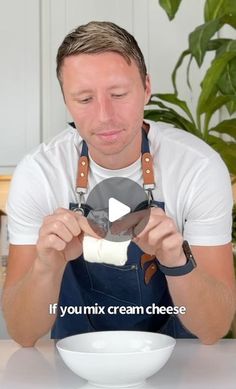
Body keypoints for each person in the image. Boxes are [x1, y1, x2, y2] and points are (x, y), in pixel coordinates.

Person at [2, 21, 236, 347]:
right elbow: (22, 332)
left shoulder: (197, 168)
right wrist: (46, 267)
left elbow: (214, 327)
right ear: (66, 102)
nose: (104, 116)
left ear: (147, 88)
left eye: (119, 94)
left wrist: (176, 261)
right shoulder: (39, 173)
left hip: (179, 367)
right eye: (84, 99)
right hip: (76, 364)